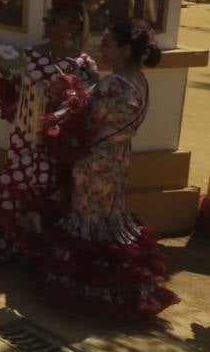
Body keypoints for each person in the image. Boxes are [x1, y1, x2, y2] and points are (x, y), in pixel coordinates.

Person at [31, 20, 179, 318]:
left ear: (125, 50)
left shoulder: (114, 84)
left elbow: (85, 118)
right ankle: (118, 287)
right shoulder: (138, 79)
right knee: (108, 215)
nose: (103, 49)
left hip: (96, 159)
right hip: (118, 156)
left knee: (89, 217)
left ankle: (88, 289)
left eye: (108, 44)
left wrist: (66, 102)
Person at [0, 0, 98, 261]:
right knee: (14, 179)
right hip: (24, 132)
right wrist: (7, 74)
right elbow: (16, 86)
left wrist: (65, 97)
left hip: (56, 137)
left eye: (53, 21)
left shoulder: (85, 64)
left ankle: (34, 249)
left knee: (44, 185)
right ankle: (4, 244)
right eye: (47, 20)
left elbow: (85, 102)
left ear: (72, 27)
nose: (47, 26)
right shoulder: (30, 54)